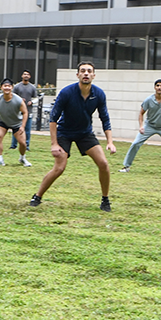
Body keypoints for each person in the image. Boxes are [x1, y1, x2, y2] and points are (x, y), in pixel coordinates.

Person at [30, 63, 116, 211]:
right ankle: (37, 196)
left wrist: (110, 142)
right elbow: (53, 119)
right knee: (59, 168)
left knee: (103, 164)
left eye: (89, 71)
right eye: (83, 71)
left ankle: (105, 200)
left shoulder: (99, 94)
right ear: (78, 75)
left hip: (85, 133)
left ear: (94, 75)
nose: (86, 74)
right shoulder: (67, 92)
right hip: (65, 132)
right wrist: (54, 144)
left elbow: (105, 119)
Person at [120, 78, 161, 174]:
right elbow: (141, 113)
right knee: (135, 144)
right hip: (149, 126)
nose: (159, 87)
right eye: (157, 85)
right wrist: (141, 126)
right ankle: (126, 167)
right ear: (154, 87)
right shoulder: (149, 100)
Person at [0, 81, 30, 167]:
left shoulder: (18, 100)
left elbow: (25, 112)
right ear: (1, 87)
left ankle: (22, 158)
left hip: (17, 123)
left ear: (12, 88)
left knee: (22, 143)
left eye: (9, 86)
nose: (7, 88)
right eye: (5, 86)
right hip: (3, 122)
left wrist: (23, 126)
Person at [10, 70, 40, 150]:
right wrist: (19, 100)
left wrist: (32, 102)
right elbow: (12, 96)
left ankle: (26, 145)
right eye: (24, 74)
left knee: (27, 129)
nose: (26, 76)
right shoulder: (17, 86)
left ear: (30, 76)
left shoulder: (32, 87)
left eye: (28, 74)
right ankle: (13, 145)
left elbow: (36, 98)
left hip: (28, 111)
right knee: (15, 129)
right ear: (22, 76)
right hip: (18, 112)